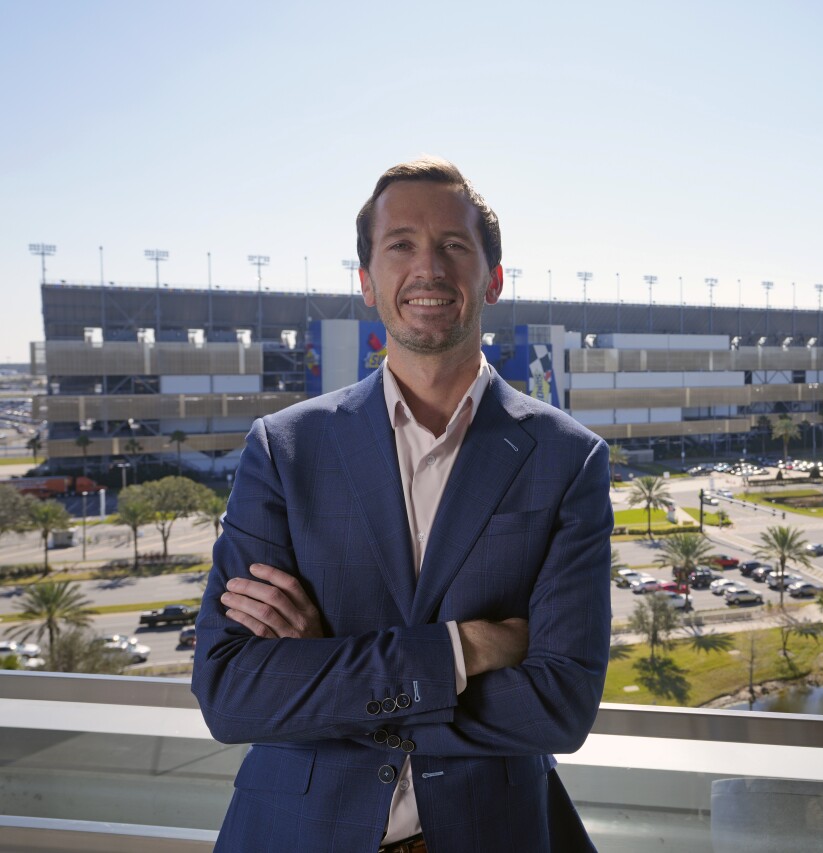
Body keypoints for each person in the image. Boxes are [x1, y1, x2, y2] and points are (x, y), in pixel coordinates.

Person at [191, 156, 612, 853]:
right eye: (402, 245)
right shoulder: (285, 449)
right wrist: (465, 648)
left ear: (493, 279)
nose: (429, 267)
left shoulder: (568, 459)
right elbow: (232, 691)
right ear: (367, 283)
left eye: (454, 245)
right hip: (295, 834)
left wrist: (324, 675)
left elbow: (559, 707)